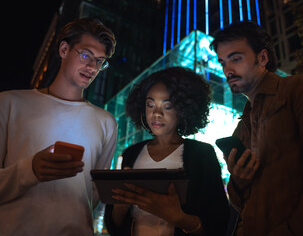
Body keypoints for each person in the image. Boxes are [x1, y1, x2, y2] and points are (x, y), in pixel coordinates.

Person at [210, 21, 303, 235]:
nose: (228, 70)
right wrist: (239, 181)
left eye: (236, 58)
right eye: (222, 62)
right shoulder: (242, 126)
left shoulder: (302, 90)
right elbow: (238, 201)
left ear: (262, 58)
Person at [0, 18, 117, 235]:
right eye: (85, 55)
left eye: (99, 61)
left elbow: (93, 192)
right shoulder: (8, 103)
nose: (92, 67)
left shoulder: (106, 122)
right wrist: (30, 169)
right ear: (64, 49)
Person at [104, 67, 230, 235]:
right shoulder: (130, 153)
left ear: (183, 109)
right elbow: (115, 226)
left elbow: (219, 223)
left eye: (167, 106)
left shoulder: (202, 155)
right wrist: (120, 208)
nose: (156, 113)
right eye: (150, 104)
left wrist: (179, 218)